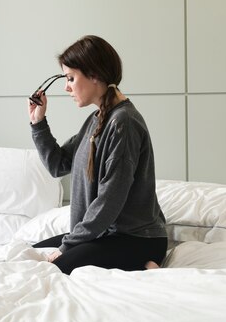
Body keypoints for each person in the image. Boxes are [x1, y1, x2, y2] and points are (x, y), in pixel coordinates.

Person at [27, 35, 167, 275]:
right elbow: (57, 165)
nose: (66, 87)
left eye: (71, 78)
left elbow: (109, 200)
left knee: (54, 268)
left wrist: (67, 247)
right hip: (106, 234)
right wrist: (38, 123)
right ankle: (139, 266)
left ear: (94, 74)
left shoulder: (124, 122)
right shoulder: (97, 120)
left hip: (135, 239)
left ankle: (142, 263)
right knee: (30, 252)